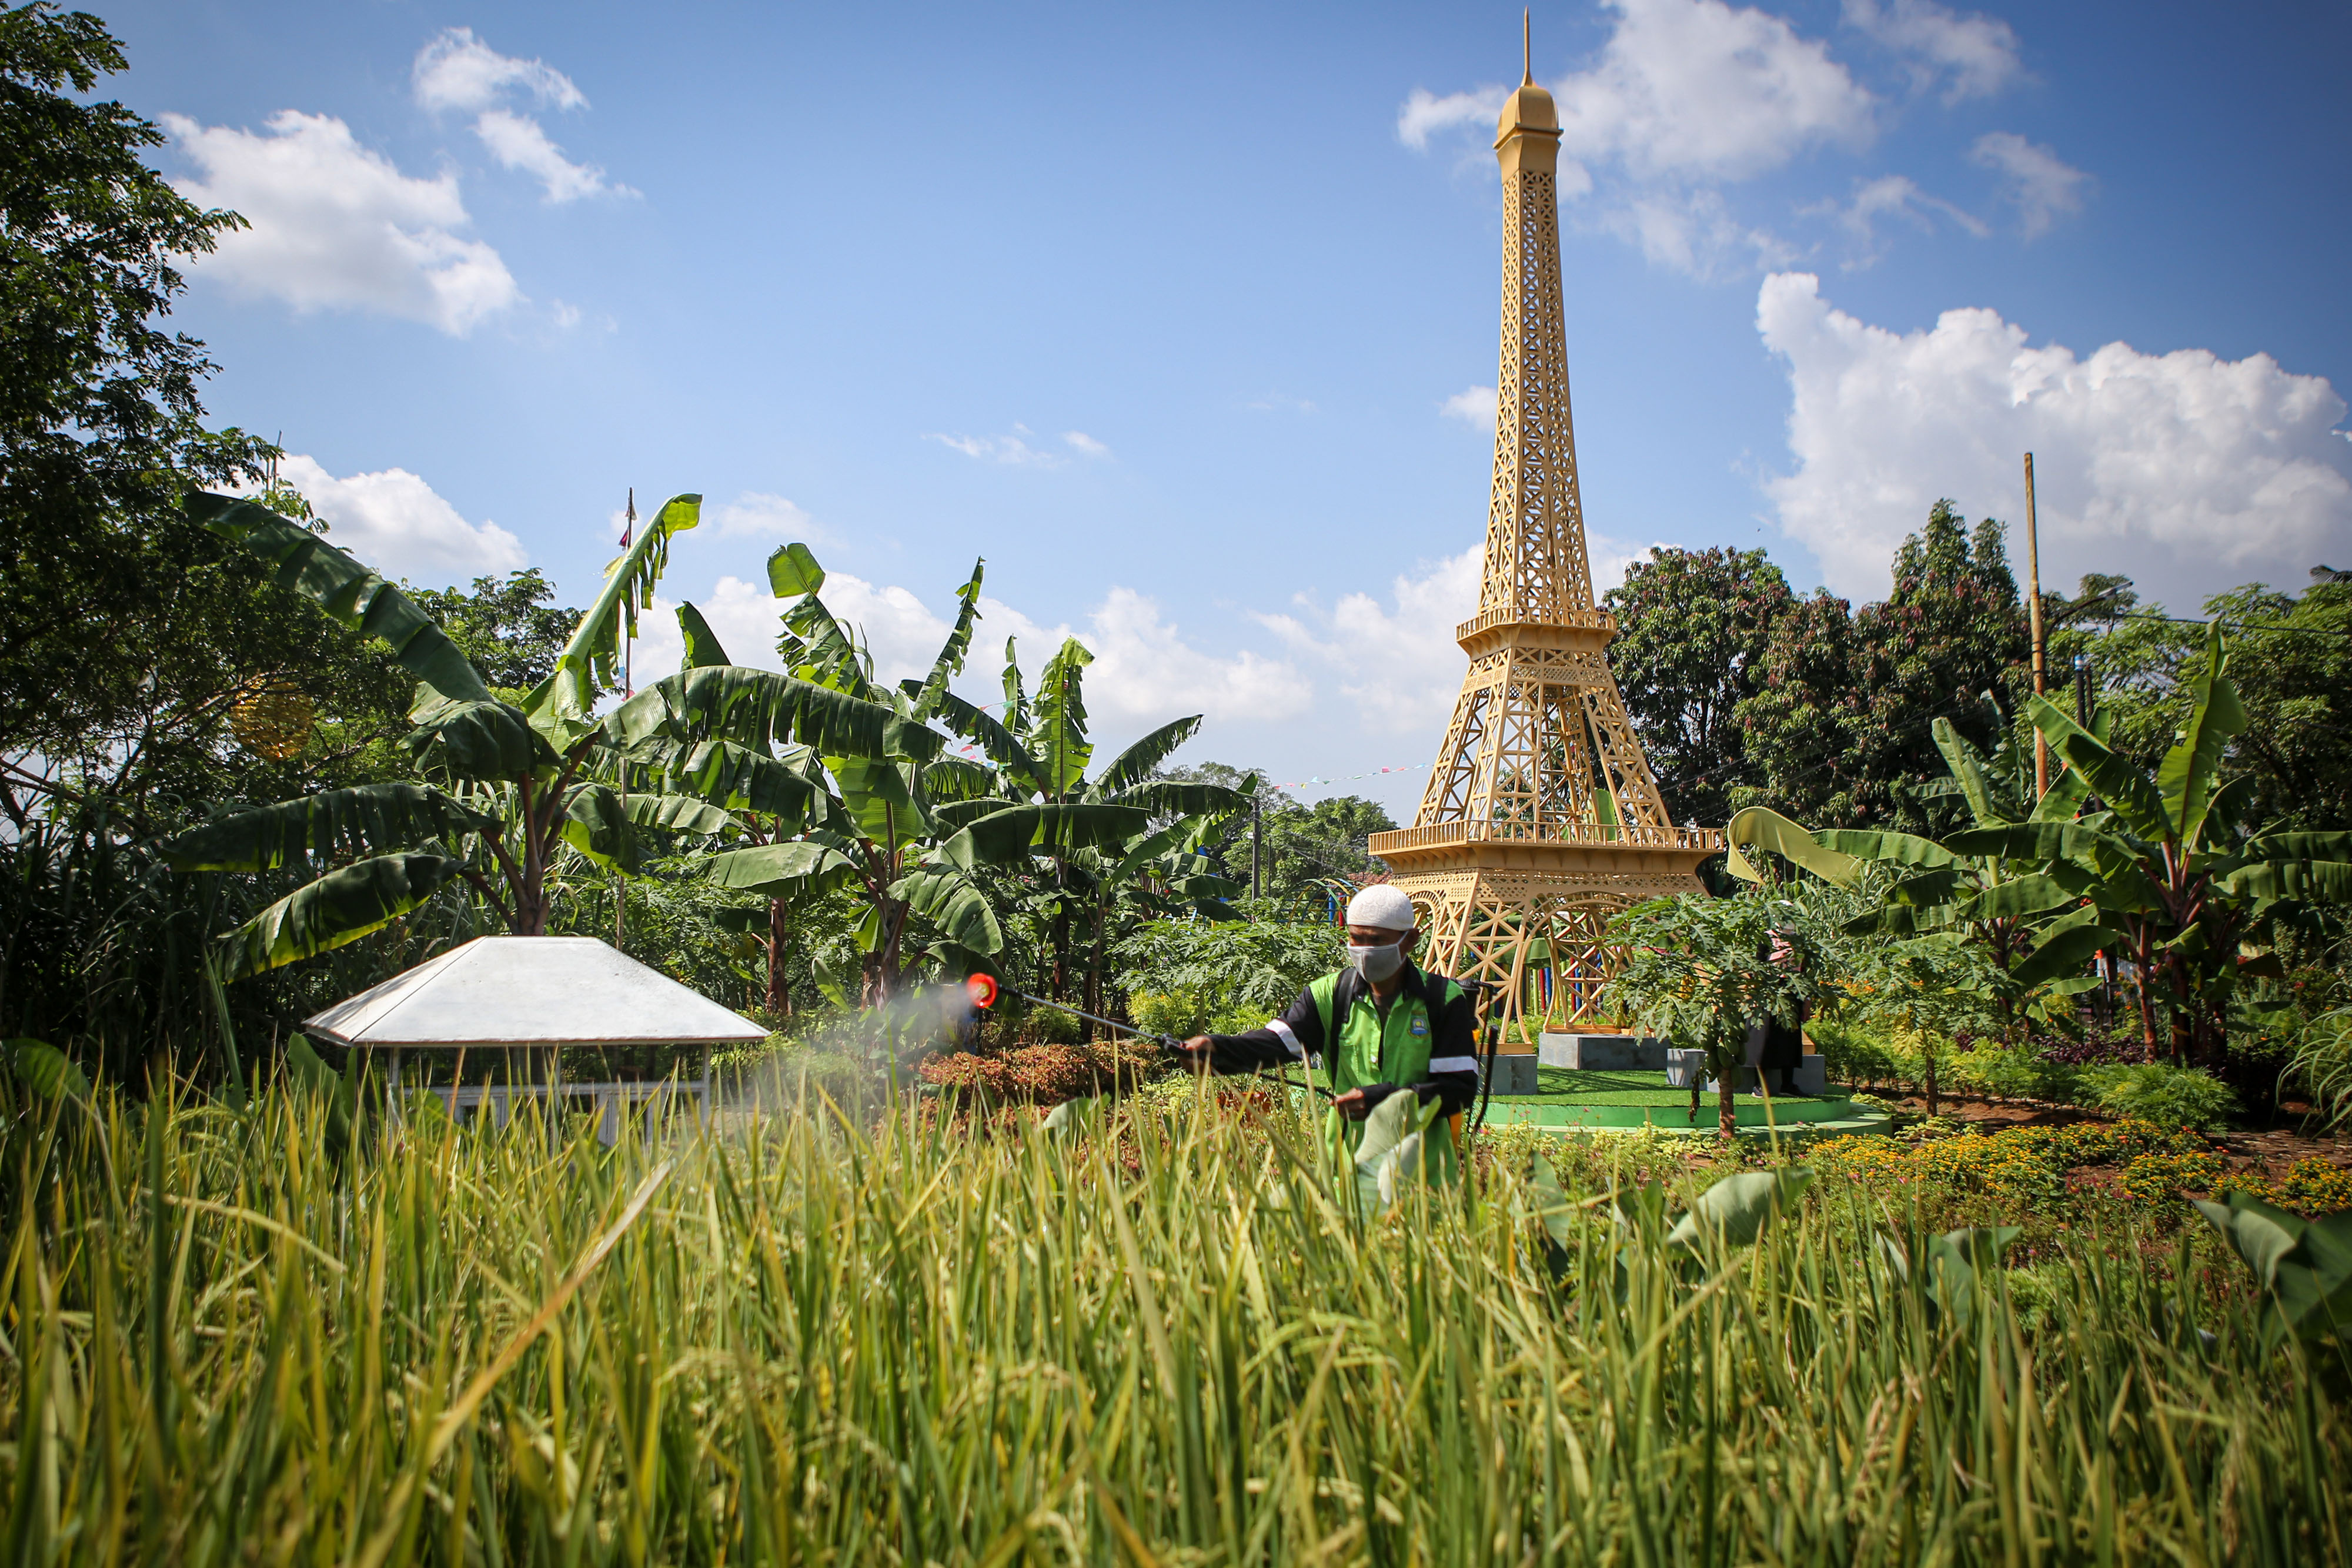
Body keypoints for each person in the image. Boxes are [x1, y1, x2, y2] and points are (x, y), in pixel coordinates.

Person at [1176, 885, 1481, 1181]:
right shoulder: (1329, 994)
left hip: (1422, 1179)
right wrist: (1217, 1048)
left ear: (1411, 940)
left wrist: (1383, 1101)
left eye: (1376, 941)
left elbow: (1458, 1089)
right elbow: (1277, 1043)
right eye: (1356, 939)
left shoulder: (1443, 999)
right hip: (1348, 1179)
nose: (1364, 951)